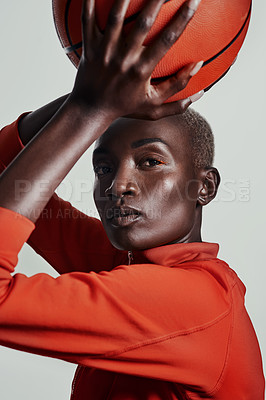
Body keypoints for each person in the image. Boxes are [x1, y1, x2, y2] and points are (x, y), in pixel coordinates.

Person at [0, 0, 264, 399]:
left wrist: (91, 108)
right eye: (103, 167)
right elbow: (7, 167)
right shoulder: (126, 263)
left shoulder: (191, 303)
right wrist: (97, 91)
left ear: (204, 187)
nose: (118, 185)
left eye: (151, 161)